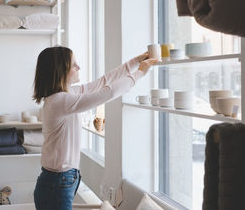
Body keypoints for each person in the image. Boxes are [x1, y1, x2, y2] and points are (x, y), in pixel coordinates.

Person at [32, 46, 158, 210]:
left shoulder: (68, 94)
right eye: (74, 64)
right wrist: (139, 73)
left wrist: (137, 61)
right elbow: (107, 93)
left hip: (60, 180)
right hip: (57, 182)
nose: (79, 67)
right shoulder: (60, 101)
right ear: (61, 70)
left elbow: (103, 82)